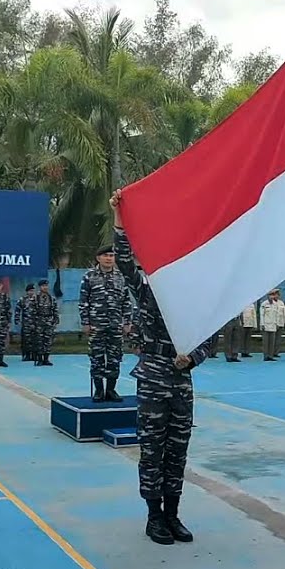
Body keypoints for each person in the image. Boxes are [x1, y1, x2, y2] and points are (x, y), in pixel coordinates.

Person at [109, 189, 218, 546]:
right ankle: (154, 515)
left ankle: (173, 513)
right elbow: (125, 264)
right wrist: (120, 219)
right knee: (153, 448)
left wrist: (194, 358)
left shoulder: (196, 298)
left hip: (181, 381)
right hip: (154, 375)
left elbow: (209, 337)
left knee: (178, 448)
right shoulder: (149, 290)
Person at [79, 244, 132, 401]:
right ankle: (99, 390)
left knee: (115, 358)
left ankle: (111, 390)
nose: (109, 259)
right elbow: (83, 301)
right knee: (97, 358)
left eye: (111, 256)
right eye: (105, 256)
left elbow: (126, 301)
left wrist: (127, 321)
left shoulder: (121, 277)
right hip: (96, 325)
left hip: (115, 325)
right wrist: (85, 322)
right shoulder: (89, 276)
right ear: (98, 258)